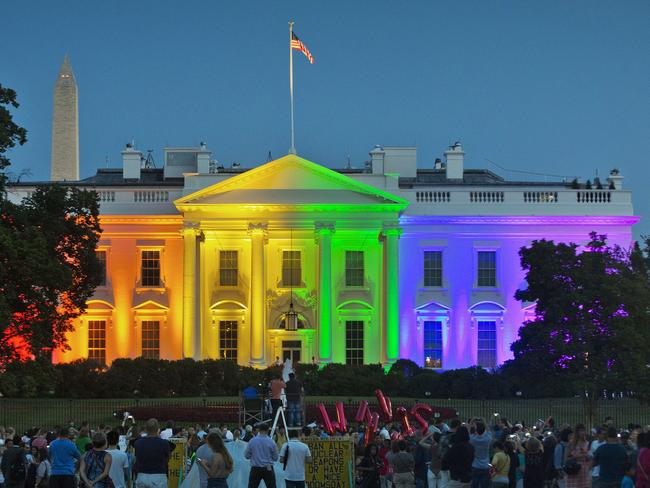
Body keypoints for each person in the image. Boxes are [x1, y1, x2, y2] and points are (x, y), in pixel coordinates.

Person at [133, 419, 175, 488]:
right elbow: (169, 457)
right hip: (159, 476)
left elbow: (137, 457)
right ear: (158, 429)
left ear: (146, 429)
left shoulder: (138, 443)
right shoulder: (164, 443)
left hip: (142, 475)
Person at [244, 423, 278, 488]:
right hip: (268, 467)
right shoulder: (271, 442)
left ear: (259, 430)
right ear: (268, 430)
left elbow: (246, 456)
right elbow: (276, 458)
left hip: (255, 468)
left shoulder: (252, 441)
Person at [565, 424, 590, 488]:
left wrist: (588, 457)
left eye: (584, 430)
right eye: (580, 431)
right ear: (576, 432)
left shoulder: (587, 443)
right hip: (574, 469)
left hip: (584, 471)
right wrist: (577, 456)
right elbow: (566, 458)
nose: (583, 433)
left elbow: (590, 459)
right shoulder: (571, 443)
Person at [469, 421, 492, 488]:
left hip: (475, 464)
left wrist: (471, 423)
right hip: (485, 465)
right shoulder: (488, 439)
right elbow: (489, 430)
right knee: (484, 485)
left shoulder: (472, 439)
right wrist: (484, 421)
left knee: (474, 484)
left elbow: (469, 432)